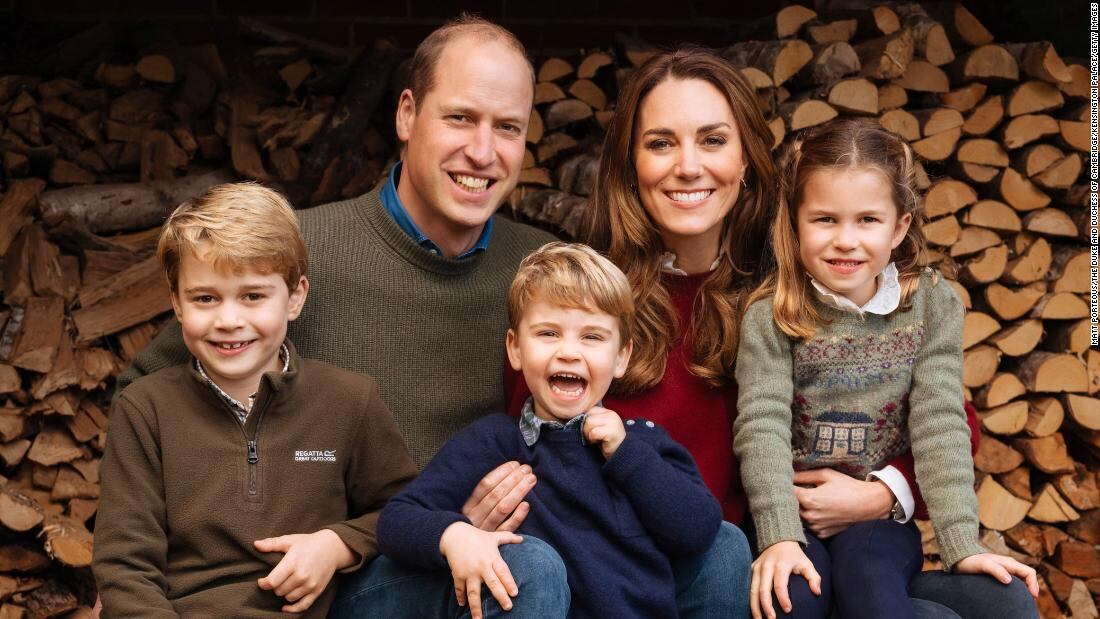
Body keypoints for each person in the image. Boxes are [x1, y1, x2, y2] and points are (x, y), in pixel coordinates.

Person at [116, 17, 747, 618]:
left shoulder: (538, 270)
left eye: (507, 128)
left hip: (502, 551)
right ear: (407, 114)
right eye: (460, 118)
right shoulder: (301, 255)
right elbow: (154, 396)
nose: (481, 151)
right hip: (355, 571)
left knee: (713, 547)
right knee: (526, 569)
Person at [564, 47, 1036, 619]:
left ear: (745, 158)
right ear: (629, 161)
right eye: (661, 142)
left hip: (839, 541)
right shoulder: (589, 297)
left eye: (712, 140)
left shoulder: (802, 273)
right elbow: (541, 428)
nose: (688, 166)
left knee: (1003, 606)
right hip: (713, 567)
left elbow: (948, 418)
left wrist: (880, 494)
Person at [732, 118, 1039, 619]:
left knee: (870, 581)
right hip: (793, 513)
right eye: (825, 220)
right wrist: (779, 536)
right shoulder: (773, 314)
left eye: (867, 221)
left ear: (899, 227)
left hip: (878, 525)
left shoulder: (932, 306)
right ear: (794, 224)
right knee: (794, 598)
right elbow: (760, 425)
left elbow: (941, 423)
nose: (845, 240)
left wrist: (963, 543)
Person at [92, 183, 419, 617]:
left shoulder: (350, 401)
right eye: (205, 298)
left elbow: (404, 510)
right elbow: (125, 566)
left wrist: (337, 544)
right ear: (177, 304)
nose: (229, 320)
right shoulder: (144, 410)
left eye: (253, 296)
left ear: (295, 297)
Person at [378, 242, 724, 619]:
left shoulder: (642, 443)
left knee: (728, 542)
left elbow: (699, 531)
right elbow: (397, 520)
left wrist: (627, 455)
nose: (569, 352)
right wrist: (455, 535)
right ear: (515, 349)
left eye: (592, 337)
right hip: (537, 605)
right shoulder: (494, 442)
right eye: (548, 333)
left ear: (622, 356)